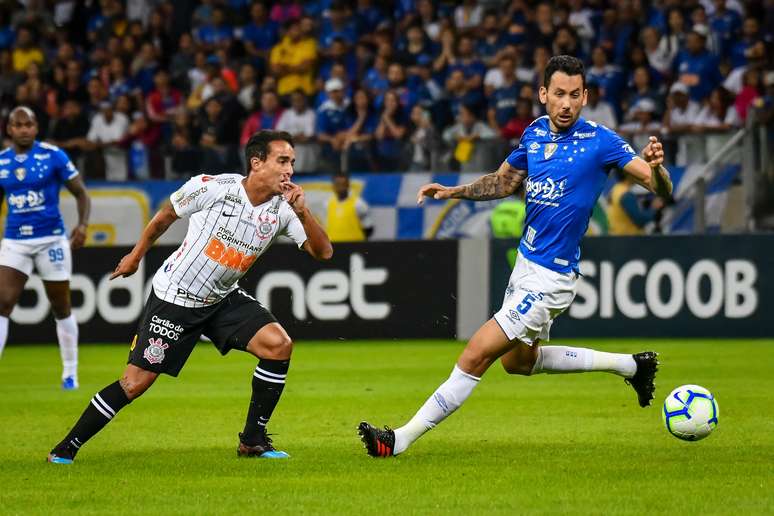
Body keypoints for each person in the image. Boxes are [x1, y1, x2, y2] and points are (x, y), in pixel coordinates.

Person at [358, 56, 673, 457]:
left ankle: (399, 439)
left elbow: (657, 187)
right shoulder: (535, 133)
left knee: (476, 353)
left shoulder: (601, 141)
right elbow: (503, 182)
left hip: (551, 278)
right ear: (543, 94)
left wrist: (658, 169)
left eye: (575, 95)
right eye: (558, 94)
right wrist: (453, 192)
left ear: (585, 97)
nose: (566, 104)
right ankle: (632, 366)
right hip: (525, 266)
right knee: (518, 363)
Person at [47, 130, 332, 464]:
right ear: (257, 163)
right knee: (135, 383)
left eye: (292, 163)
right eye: (282, 160)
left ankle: (252, 440)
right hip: (176, 297)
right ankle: (66, 446)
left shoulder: (283, 209)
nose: (290, 170)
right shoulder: (215, 188)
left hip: (222, 299)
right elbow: (167, 213)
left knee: (278, 345)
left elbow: (323, 252)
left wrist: (302, 212)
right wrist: (136, 256)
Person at [0, 106, 90, 389]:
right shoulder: (1, 162)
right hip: (15, 239)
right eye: (18, 125)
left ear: (36, 127)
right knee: (2, 303)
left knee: (61, 306)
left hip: (51, 238)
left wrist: (83, 225)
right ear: (9, 129)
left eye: (29, 124)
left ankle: (70, 373)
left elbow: (81, 193)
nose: (24, 129)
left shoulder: (53, 156)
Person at [325, 172, 374, 242]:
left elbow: (369, 228)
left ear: (348, 185)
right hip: (335, 246)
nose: (341, 187)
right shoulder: (328, 204)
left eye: (343, 184)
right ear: (333, 186)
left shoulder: (358, 204)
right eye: (338, 184)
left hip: (354, 246)